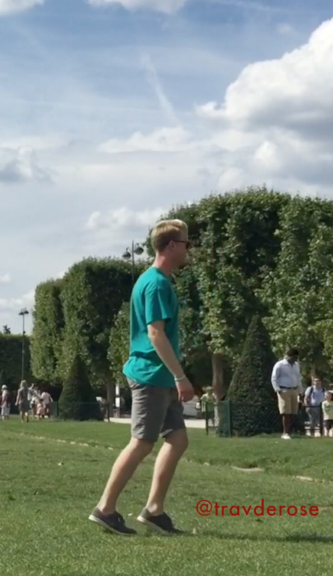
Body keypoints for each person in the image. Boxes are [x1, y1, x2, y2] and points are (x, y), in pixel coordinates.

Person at [90, 219, 192, 536]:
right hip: (153, 375)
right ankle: (105, 509)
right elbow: (155, 333)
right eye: (186, 243)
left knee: (177, 439)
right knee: (141, 443)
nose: (189, 249)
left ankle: (154, 510)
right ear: (172, 246)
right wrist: (180, 376)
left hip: (158, 375)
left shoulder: (153, 280)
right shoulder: (157, 284)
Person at [271, 349, 302, 440]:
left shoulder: (296, 365)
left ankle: (289, 431)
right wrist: (278, 390)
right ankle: (285, 433)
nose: (295, 359)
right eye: (294, 357)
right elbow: (274, 378)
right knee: (285, 412)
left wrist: (300, 391)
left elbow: (298, 378)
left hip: (294, 389)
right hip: (284, 389)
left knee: (293, 411)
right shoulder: (280, 365)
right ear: (288, 356)